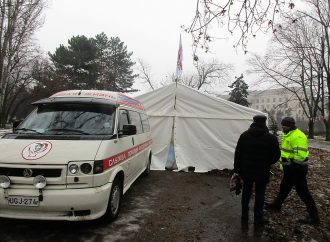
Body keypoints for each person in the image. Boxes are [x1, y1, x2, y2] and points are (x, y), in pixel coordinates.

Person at [265, 117, 320, 225]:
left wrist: (291, 168)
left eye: (283, 125)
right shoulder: (289, 134)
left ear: (289, 126)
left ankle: (314, 217)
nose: (282, 127)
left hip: (296, 170)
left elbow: (300, 156)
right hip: (290, 169)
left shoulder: (298, 136)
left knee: (303, 193)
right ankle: (277, 205)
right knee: (284, 187)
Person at [234, 115, 281, 225]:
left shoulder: (244, 136)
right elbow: (276, 156)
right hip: (262, 171)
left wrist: (237, 170)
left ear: (253, 122)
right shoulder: (271, 138)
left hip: (246, 171)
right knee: (260, 194)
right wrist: (267, 162)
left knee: (246, 192)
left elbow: (238, 154)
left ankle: (244, 216)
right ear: (265, 123)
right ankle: (258, 219)